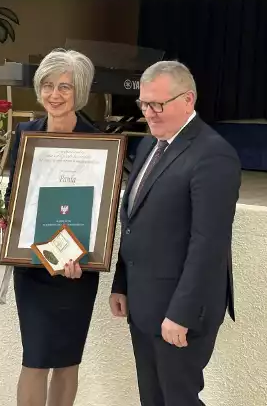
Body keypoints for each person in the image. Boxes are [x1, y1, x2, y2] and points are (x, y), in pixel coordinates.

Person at [109, 60, 241, 406]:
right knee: (152, 398)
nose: (148, 113)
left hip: (179, 311)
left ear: (188, 100)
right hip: (143, 303)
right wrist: (121, 283)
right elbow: (133, 221)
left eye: (157, 104)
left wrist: (181, 312)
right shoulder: (148, 146)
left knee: (178, 399)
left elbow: (209, 243)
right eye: (143, 104)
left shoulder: (213, 155)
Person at [4, 49, 100, 406]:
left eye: (65, 87)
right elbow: (17, 193)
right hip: (32, 265)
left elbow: (98, 211)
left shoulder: (98, 141)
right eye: (47, 85)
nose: (54, 95)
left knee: (67, 358)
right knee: (35, 356)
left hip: (77, 269)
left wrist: (80, 254)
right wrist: (7, 220)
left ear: (81, 91)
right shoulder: (25, 133)